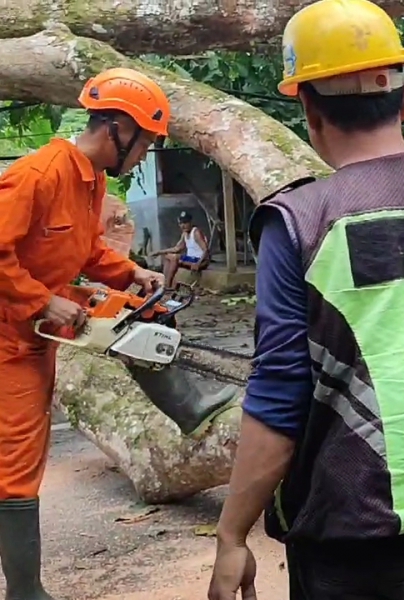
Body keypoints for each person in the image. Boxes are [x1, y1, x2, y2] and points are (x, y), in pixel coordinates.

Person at [206, 1, 404, 598]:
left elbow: (279, 393)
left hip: (351, 543)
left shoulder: (301, 221)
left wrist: (232, 535)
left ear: (308, 107)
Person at [0, 68, 239, 600]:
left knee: (140, 312)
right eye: (147, 140)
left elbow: (86, 251)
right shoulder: (38, 174)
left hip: (40, 327)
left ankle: (189, 403)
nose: (147, 150)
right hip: (10, 337)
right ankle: (24, 590)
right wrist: (44, 299)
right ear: (116, 128)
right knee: (16, 465)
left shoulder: (91, 182)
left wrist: (128, 273)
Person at [152, 211, 210, 287]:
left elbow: (206, 250)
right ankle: (165, 282)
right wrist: (159, 252)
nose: (183, 226)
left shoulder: (196, 232)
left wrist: (198, 263)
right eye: (181, 223)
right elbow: (177, 248)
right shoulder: (185, 234)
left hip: (200, 260)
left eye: (185, 223)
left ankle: (167, 285)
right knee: (168, 256)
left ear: (190, 222)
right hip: (191, 259)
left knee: (175, 257)